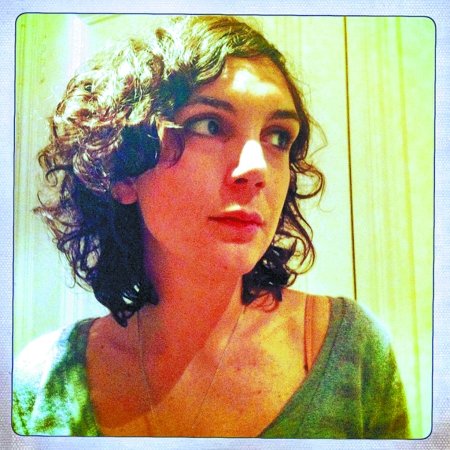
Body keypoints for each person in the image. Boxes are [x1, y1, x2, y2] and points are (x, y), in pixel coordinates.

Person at [12, 15, 410, 438]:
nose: (257, 169)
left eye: (278, 136)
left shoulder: (354, 351)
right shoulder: (38, 385)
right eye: (210, 125)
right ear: (123, 171)